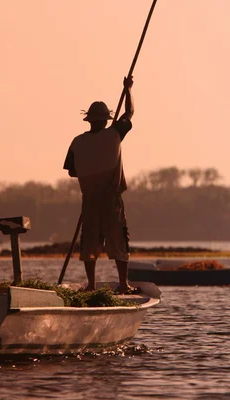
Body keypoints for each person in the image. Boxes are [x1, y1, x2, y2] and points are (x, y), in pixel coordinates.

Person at [63, 76, 135, 294]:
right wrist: (128, 89)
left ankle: (92, 285)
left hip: (90, 201)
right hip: (111, 201)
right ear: (105, 120)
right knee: (119, 243)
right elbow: (129, 113)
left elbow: (73, 172)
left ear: (90, 121)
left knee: (90, 245)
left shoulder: (77, 142)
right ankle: (123, 284)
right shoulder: (113, 134)